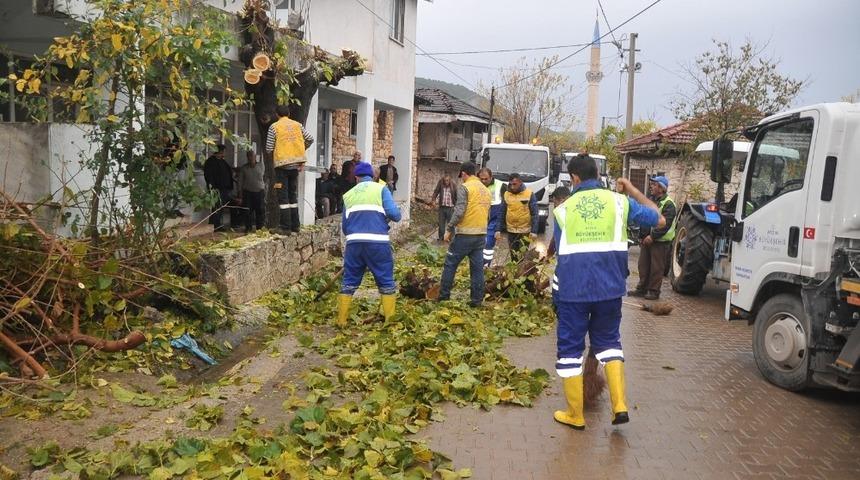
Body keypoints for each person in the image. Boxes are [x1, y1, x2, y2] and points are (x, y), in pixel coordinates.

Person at [552, 153, 664, 430]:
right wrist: (633, 189)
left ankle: (575, 415)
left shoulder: (562, 210)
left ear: (575, 178)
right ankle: (619, 406)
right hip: (610, 290)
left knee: (570, 351)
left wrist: (555, 296)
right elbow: (659, 220)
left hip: (573, 292)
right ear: (597, 174)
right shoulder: (620, 201)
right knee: (610, 344)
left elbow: (560, 256)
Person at [337, 161, 402, 326]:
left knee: (349, 281)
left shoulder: (348, 195)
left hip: (354, 244)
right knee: (386, 280)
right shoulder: (381, 189)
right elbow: (395, 215)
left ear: (356, 177)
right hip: (377, 244)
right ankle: (389, 320)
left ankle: (341, 321)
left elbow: (345, 227)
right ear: (373, 176)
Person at [438, 161, 492, 307]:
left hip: (465, 234)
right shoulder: (485, 190)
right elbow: (488, 213)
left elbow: (460, 211)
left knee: (450, 264)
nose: (461, 178)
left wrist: (449, 228)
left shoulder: (465, 187)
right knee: (477, 269)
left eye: (461, 175)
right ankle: (476, 300)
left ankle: (443, 297)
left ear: (463, 173)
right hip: (481, 235)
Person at [265, 105, 314, 234]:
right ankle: (295, 226)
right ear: (289, 113)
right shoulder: (298, 125)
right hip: (295, 166)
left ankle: (285, 227)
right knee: (293, 196)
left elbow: (269, 148)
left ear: (277, 114)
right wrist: (300, 150)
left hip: (281, 166)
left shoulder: (274, 127)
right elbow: (310, 139)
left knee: (283, 198)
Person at [629, 175, 677, 300]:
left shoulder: (669, 204)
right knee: (643, 265)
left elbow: (665, 224)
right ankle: (642, 288)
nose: (651, 186)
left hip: (660, 242)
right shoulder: (651, 201)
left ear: (661, 188)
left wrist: (652, 236)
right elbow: (645, 219)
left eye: (654, 185)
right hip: (647, 240)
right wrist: (642, 236)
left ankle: (654, 291)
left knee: (657, 268)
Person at [499, 173, 538, 263]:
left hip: (525, 231)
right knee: (513, 255)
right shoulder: (506, 194)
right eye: (510, 184)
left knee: (522, 255)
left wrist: (534, 231)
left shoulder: (529, 194)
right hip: (511, 231)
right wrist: (498, 229)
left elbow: (534, 214)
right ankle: (515, 273)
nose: (512, 187)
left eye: (514, 184)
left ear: (520, 182)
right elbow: (502, 212)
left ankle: (522, 273)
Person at [203, 144, 234, 232]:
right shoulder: (210, 162)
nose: (224, 153)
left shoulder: (222, 161)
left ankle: (218, 225)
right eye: (223, 151)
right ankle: (214, 225)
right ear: (219, 151)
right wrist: (212, 188)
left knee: (220, 208)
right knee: (216, 207)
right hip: (216, 189)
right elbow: (209, 176)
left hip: (225, 189)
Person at [478, 167, 503, 267]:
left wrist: (499, 227)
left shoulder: (500, 185)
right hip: (480, 219)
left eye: (486, 179)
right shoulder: (478, 185)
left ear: (491, 177)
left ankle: (486, 265)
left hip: (493, 219)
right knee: (479, 244)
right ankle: (479, 264)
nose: (483, 181)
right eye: (482, 179)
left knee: (488, 244)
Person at [237, 150, 266, 233]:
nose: (250, 158)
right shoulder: (244, 168)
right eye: (249, 156)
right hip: (248, 192)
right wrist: (240, 194)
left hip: (259, 192)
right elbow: (240, 182)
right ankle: (248, 227)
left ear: (255, 156)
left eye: (252, 156)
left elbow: (265, 178)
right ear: (247, 157)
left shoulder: (261, 166)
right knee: (247, 211)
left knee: (260, 211)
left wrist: (265, 189)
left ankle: (259, 228)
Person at [546, 186, 571, 260]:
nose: (555, 206)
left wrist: (550, 253)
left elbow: (556, 236)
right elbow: (555, 235)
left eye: (555, 202)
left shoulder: (561, 213)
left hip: (564, 254)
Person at [431, 174, 458, 242]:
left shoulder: (453, 185)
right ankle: (441, 238)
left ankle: (451, 239)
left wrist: (456, 206)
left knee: (451, 224)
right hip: (442, 208)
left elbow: (457, 196)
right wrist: (433, 200)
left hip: (450, 208)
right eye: (445, 181)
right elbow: (436, 191)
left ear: (450, 180)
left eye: (447, 180)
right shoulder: (441, 183)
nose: (446, 182)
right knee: (441, 224)